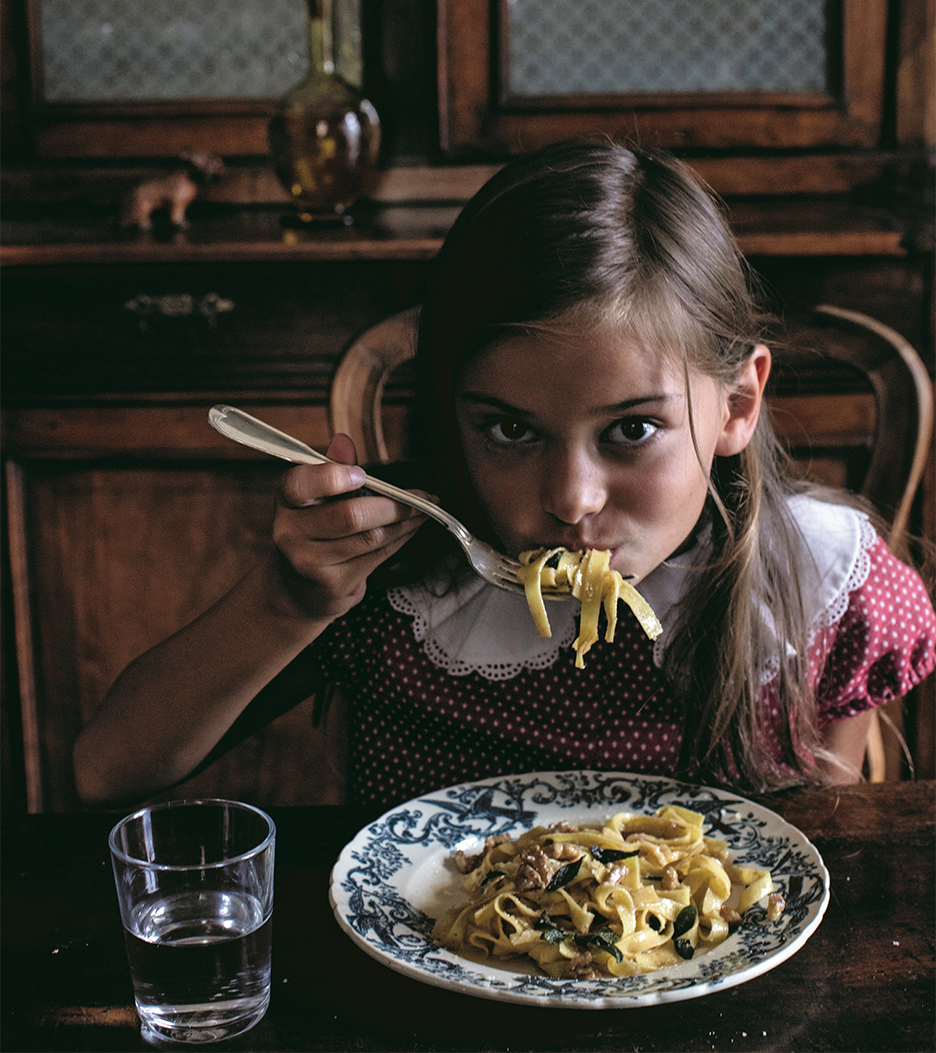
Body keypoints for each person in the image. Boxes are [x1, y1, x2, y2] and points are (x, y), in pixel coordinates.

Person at [74, 142, 936, 809]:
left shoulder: (823, 589)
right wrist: (285, 602)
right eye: (509, 429)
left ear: (736, 408)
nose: (569, 500)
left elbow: (823, 840)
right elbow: (108, 770)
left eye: (632, 429)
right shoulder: (394, 566)